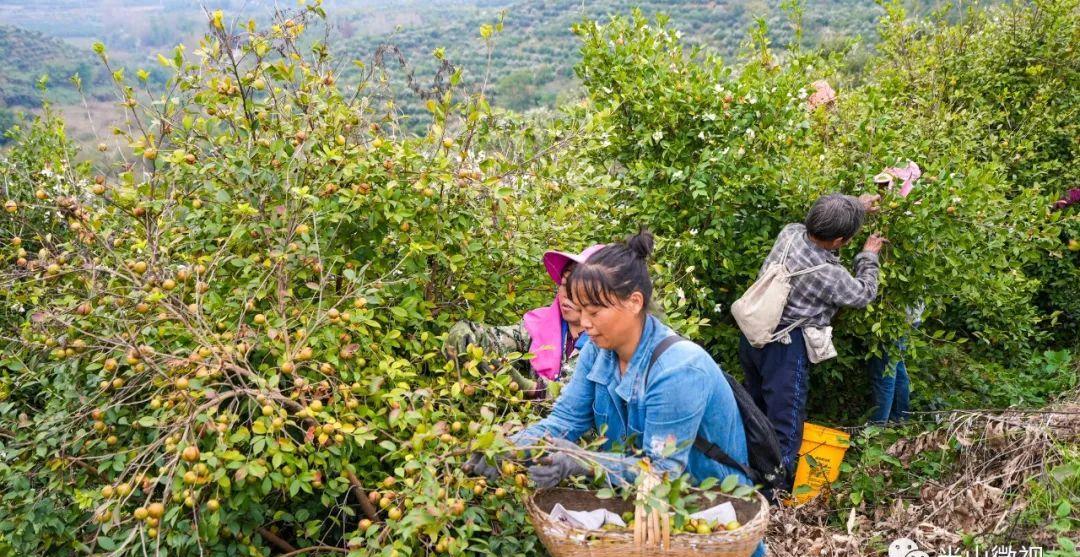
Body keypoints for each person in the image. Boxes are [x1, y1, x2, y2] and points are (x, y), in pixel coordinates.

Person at [466, 230, 766, 556]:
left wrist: (578, 460)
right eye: (581, 310)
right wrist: (507, 450)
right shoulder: (598, 352)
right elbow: (563, 422)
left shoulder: (678, 370)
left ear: (634, 302)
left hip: (708, 520)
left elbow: (660, 473)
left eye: (595, 312)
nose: (584, 322)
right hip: (640, 519)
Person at [738, 193, 885, 484]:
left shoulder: (790, 233)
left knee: (754, 412)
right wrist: (868, 256)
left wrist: (856, 206)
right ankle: (774, 494)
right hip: (784, 347)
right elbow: (864, 293)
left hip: (753, 334)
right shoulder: (829, 274)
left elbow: (823, 221)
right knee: (785, 426)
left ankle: (744, 478)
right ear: (839, 241)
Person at [444, 245, 604, 398]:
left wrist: (532, 388)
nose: (567, 294)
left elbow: (586, 400)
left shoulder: (608, 344)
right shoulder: (541, 325)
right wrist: (465, 331)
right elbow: (493, 340)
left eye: (578, 288)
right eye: (564, 284)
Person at [868, 302, 923, 423]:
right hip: (911, 316)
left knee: (885, 375)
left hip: (896, 321)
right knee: (897, 367)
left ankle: (877, 426)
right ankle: (900, 419)